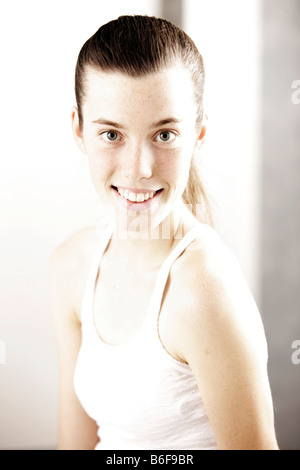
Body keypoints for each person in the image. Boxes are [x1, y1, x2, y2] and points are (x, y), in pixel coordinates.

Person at [49, 15, 279, 450]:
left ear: (199, 133)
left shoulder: (206, 292)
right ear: (79, 129)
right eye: (112, 133)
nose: (140, 169)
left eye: (165, 134)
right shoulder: (70, 267)